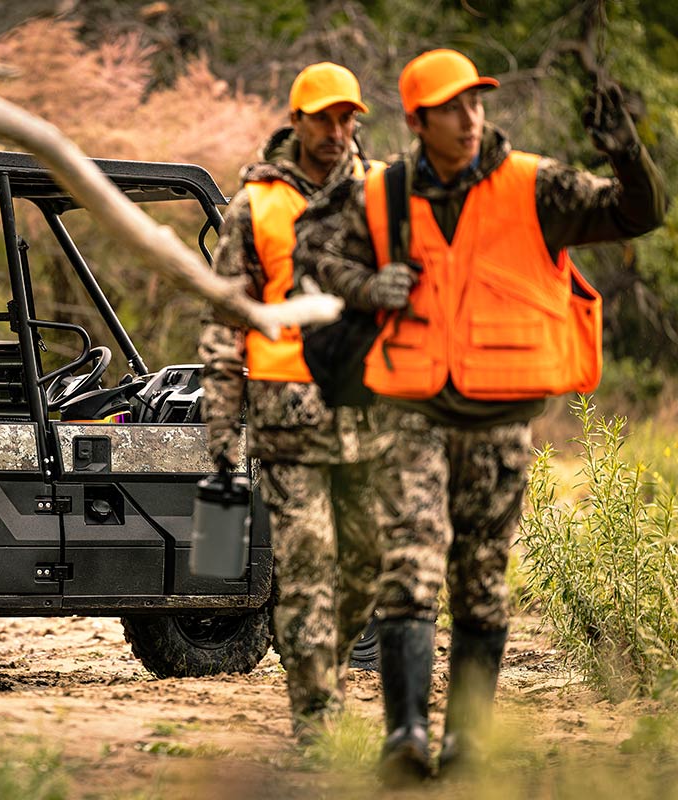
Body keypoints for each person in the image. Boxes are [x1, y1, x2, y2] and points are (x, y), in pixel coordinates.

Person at [310, 48, 667, 783]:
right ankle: (404, 735)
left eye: (477, 103)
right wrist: (371, 285)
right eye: (452, 108)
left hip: (501, 421)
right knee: (408, 568)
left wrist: (625, 150)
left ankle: (467, 743)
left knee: (481, 581)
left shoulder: (537, 187)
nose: (470, 118)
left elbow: (641, 213)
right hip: (410, 412)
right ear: (417, 120)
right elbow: (321, 258)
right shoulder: (382, 192)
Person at [199, 62, 393, 743]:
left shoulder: (380, 196)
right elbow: (226, 318)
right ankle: (316, 720)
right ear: (298, 119)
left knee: (367, 564)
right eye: (326, 117)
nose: (339, 130)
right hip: (285, 417)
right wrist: (221, 423)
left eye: (349, 118)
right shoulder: (255, 206)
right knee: (309, 566)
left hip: (365, 409)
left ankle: (325, 670)